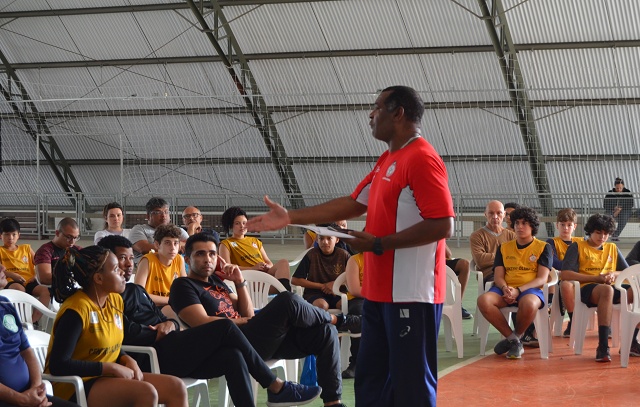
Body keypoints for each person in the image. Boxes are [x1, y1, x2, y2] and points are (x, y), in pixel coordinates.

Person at [246, 86, 454, 407]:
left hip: (413, 295)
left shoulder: (423, 159)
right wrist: (290, 217)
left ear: (398, 113)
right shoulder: (387, 159)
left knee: (411, 386)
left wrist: (381, 243)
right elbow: (353, 203)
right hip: (378, 294)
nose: (371, 115)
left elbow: (443, 224)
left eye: (377, 107)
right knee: (370, 380)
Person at [97, 235, 322, 407]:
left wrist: (170, 324)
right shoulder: (107, 298)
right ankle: (274, 385)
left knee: (232, 356)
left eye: (129, 258)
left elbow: (166, 320)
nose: (128, 264)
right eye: (122, 259)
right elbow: (122, 332)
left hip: (174, 345)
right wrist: (155, 332)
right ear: (106, 264)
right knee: (223, 325)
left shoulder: (136, 290)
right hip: (154, 357)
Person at [170, 233, 358, 407]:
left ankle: (333, 403)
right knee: (287, 300)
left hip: (253, 341)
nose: (207, 259)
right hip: (232, 345)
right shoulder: (183, 286)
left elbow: (249, 313)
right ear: (187, 259)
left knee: (325, 332)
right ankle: (340, 320)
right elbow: (201, 323)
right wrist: (243, 322)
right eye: (200, 254)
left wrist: (239, 282)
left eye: (212, 254)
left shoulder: (217, 282)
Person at [44, 245, 188, 406]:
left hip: (106, 376)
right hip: (75, 384)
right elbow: (59, 364)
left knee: (176, 387)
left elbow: (109, 342)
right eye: (115, 269)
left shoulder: (114, 300)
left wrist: (127, 358)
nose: (122, 271)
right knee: (145, 392)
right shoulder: (76, 311)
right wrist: (109, 368)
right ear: (98, 278)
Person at [476, 207, 553, 359]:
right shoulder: (504, 248)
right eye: (517, 223)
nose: (519, 226)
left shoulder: (544, 247)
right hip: (506, 289)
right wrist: (505, 288)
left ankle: (514, 337)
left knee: (529, 303)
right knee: (483, 300)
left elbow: (542, 279)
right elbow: (498, 276)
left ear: (533, 226)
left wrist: (518, 290)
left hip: (530, 289)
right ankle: (514, 340)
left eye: (524, 223)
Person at [560, 213, 635, 362]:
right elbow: (566, 274)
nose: (602, 237)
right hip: (588, 288)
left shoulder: (612, 248)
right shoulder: (578, 246)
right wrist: (596, 278)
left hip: (611, 287)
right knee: (606, 290)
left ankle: (632, 342)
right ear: (591, 231)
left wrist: (613, 273)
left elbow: (627, 272)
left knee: (637, 291)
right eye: (598, 233)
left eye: (606, 234)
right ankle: (603, 346)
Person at [0, 268, 80, 407]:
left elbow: (26, 350)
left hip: (29, 394)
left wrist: (36, 389)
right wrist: (22, 400)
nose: (2, 268)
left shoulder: (5, 304)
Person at [219, 206, 292, 291]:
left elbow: (269, 262)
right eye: (237, 223)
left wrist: (266, 266)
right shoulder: (226, 244)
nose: (242, 226)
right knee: (283, 290)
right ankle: (285, 292)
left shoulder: (255, 241)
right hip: (249, 279)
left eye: (244, 223)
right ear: (230, 226)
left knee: (283, 262)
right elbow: (227, 267)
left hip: (265, 275)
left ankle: (284, 291)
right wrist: (253, 268)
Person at [0, 218, 51, 321]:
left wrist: (36, 276)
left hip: (29, 281)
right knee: (20, 290)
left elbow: (40, 263)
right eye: (7, 234)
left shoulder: (26, 248)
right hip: (11, 282)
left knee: (46, 291)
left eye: (13, 234)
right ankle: (20, 321)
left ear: (19, 235)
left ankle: (32, 321)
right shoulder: (0, 251)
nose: (10, 238)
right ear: (1, 236)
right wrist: (12, 275)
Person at [292, 225, 351, 310]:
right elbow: (295, 279)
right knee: (322, 305)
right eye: (321, 238)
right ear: (317, 239)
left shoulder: (344, 255)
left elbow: (353, 277)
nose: (325, 242)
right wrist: (322, 286)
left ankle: (340, 322)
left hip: (338, 292)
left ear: (337, 239)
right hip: (315, 293)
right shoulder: (311, 255)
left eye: (329, 238)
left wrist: (335, 284)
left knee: (345, 305)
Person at [134, 224, 186, 312]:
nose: (173, 248)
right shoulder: (147, 260)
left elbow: (185, 289)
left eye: (176, 243)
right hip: (150, 308)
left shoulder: (179, 259)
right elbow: (139, 293)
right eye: (167, 243)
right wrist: (171, 300)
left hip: (172, 306)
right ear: (157, 245)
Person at [547, 208, 582, 337]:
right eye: (562, 225)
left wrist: (568, 268)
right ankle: (573, 320)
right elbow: (553, 262)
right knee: (566, 283)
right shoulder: (551, 242)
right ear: (557, 225)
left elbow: (585, 263)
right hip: (561, 279)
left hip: (579, 278)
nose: (565, 228)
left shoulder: (581, 242)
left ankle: (575, 320)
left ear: (575, 226)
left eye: (569, 225)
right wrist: (572, 267)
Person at [129, 197, 189, 264]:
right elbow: (144, 249)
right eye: (158, 212)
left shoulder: (178, 230)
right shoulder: (139, 229)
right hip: (148, 267)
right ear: (148, 216)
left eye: (166, 212)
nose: (163, 215)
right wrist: (177, 245)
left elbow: (190, 246)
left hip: (175, 267)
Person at [469, 200, 516, 282]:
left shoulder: (512, 236)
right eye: (491, 213)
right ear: (485, 214)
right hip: (490, 274)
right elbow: (480, 260)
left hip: (511, 273)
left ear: (504, 214)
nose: (495, 217)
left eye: (499, 213)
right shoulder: (477, 236)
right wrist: (507, 256)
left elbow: (518, 257)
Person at [34, 218, 81, 286]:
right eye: (69, 237)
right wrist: (73, 278)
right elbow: (44, 278)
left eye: (75, 238)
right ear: (57, 233)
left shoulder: (78, 250)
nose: (72, 241)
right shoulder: (45, 251)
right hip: (54, 291)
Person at [342, 252, 365, 379]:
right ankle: (355, 363)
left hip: (381, 298)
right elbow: (355, 289)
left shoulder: (383, 257)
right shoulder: (355, 260)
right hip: (359, 298)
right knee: (357, 315)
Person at [444, 244, 472, 319]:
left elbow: (448, 254)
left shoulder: (436, 234)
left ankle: (457, 304)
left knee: (465, 264)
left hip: (440, 262)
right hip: (424, 263)